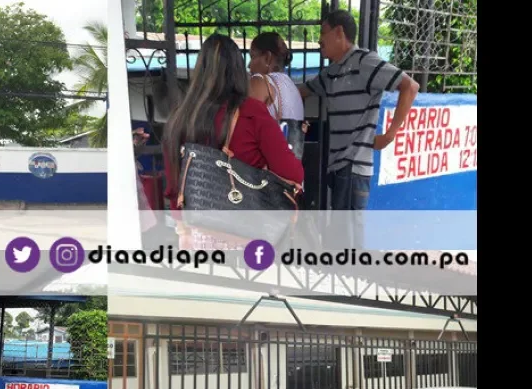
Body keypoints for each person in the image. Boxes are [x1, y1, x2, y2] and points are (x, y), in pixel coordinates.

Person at [162, 34, 305, 250]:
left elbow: (174, 186)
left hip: (194, 236)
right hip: (248, 238)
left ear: (200, 70)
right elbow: (292, 174)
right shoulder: (252, 112)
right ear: (239, 71)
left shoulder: (179, 118)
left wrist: (184, 230)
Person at [299, 9, 419, 216]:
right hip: (337, 167)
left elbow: (410, 86)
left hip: (353, 167)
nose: (319, 40)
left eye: (323, 32)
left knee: (347, 238)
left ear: (338, 32)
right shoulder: (331, 73)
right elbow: (301, 91)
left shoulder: (365, 62)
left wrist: (390, 135)